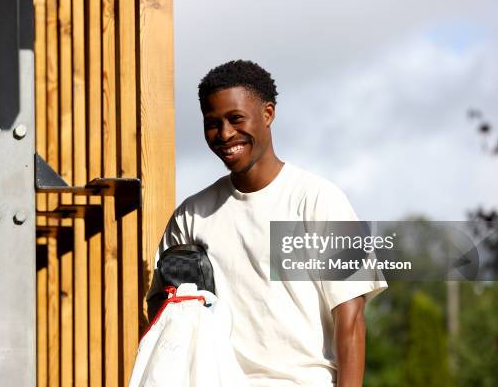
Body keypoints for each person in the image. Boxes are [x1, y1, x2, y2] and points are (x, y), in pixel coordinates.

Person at [148, 60, 387, 386]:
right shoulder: (191, 216)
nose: (225, 133)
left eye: (235, 118)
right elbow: (163, 313)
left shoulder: (318, 201)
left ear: (268, 114)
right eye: (212, 123)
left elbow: (351, 318)